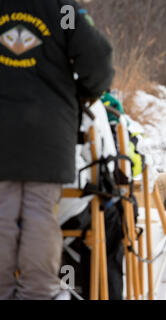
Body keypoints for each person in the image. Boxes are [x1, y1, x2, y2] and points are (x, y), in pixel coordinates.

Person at [0, 0, 114, 299]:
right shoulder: (61, 10)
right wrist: (86, 92)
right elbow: (98, 59)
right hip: (48, 128)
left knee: (1, 210)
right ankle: (39, 292)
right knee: (39, 210)